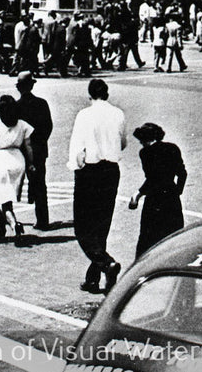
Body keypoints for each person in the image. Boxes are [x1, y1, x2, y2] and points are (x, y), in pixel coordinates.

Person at [69, 78, 127, 293]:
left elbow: (77, 148)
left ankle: (106, 263)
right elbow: (122, 143)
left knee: (83, 228)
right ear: (107, 94)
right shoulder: (118, 113)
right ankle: (93, 277)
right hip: (111, 171)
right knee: (102, 225)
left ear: (90, 95)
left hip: (90, 172)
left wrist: (78, 165)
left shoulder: (84, 115)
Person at [128, 122, 187, 258]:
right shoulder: (173, 148)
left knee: (148, 238)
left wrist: (137, 194)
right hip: (172, 198)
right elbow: (182, 173)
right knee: (174, 235)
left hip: (154, 199)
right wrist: (177, 191)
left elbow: (152, 179)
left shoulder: (145, 153)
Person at [0, 95, 34, 246]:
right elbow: (28, 147)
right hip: (18, 161)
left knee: (4, 200)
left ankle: (14, 225)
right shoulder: (22, 125)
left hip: (1, 161)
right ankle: (0, 229)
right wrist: (31, 164)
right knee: (5, 197)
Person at [15, 72, 54, 229]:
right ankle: (42, 219)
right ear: (31, 86)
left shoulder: (16, 106)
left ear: (19, 87)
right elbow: (48, 126)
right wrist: (40, 142)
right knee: (40, 184)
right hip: (39, 149)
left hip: (21, 150)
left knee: (10, 182)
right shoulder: (42, 103)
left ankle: (0, 213)